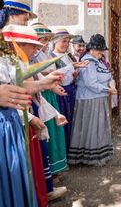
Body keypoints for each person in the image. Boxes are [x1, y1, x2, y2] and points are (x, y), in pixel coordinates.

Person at [0, 25, 64, 206]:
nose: (36, 51)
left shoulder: (8, 60)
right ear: (19, 45)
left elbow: (17, 88)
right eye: (33, 47)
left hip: (11, 122)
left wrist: (43, 83)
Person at [31, 23, 68, 200]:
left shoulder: (41, 54)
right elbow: (36, 78)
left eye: (46, 40)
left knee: (52, 134)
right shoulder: (32, 56)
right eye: (42, 40)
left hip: (45, 95)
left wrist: (53, 86)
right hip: (36, 97)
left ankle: (52, 175)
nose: (45, 43)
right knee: (43, 137)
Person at [68, 34, 116, 165]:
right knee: (91, 127)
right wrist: (108, 89)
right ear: (93, 49)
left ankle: (98, 153)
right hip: (89, 100)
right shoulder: (88, 62)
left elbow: (108, 75)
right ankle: (89, 156)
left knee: (98, 126)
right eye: (100, 49)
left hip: (98, 98)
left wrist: (111, 83)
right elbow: (91, 84)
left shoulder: (98, 61)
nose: (102, 52)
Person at [49, 28, 88, 151]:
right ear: (55, 42)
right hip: (60, 93)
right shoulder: (50, 57)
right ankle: (63, 149)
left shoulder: (69, 56)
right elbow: (53, 75)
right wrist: (72, 68)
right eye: (63, 41)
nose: (66, 44)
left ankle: (72, 147)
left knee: (73, 120)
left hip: (71, 91)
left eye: (67, 41)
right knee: (63, 121)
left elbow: (72, 74)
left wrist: (75, 74)